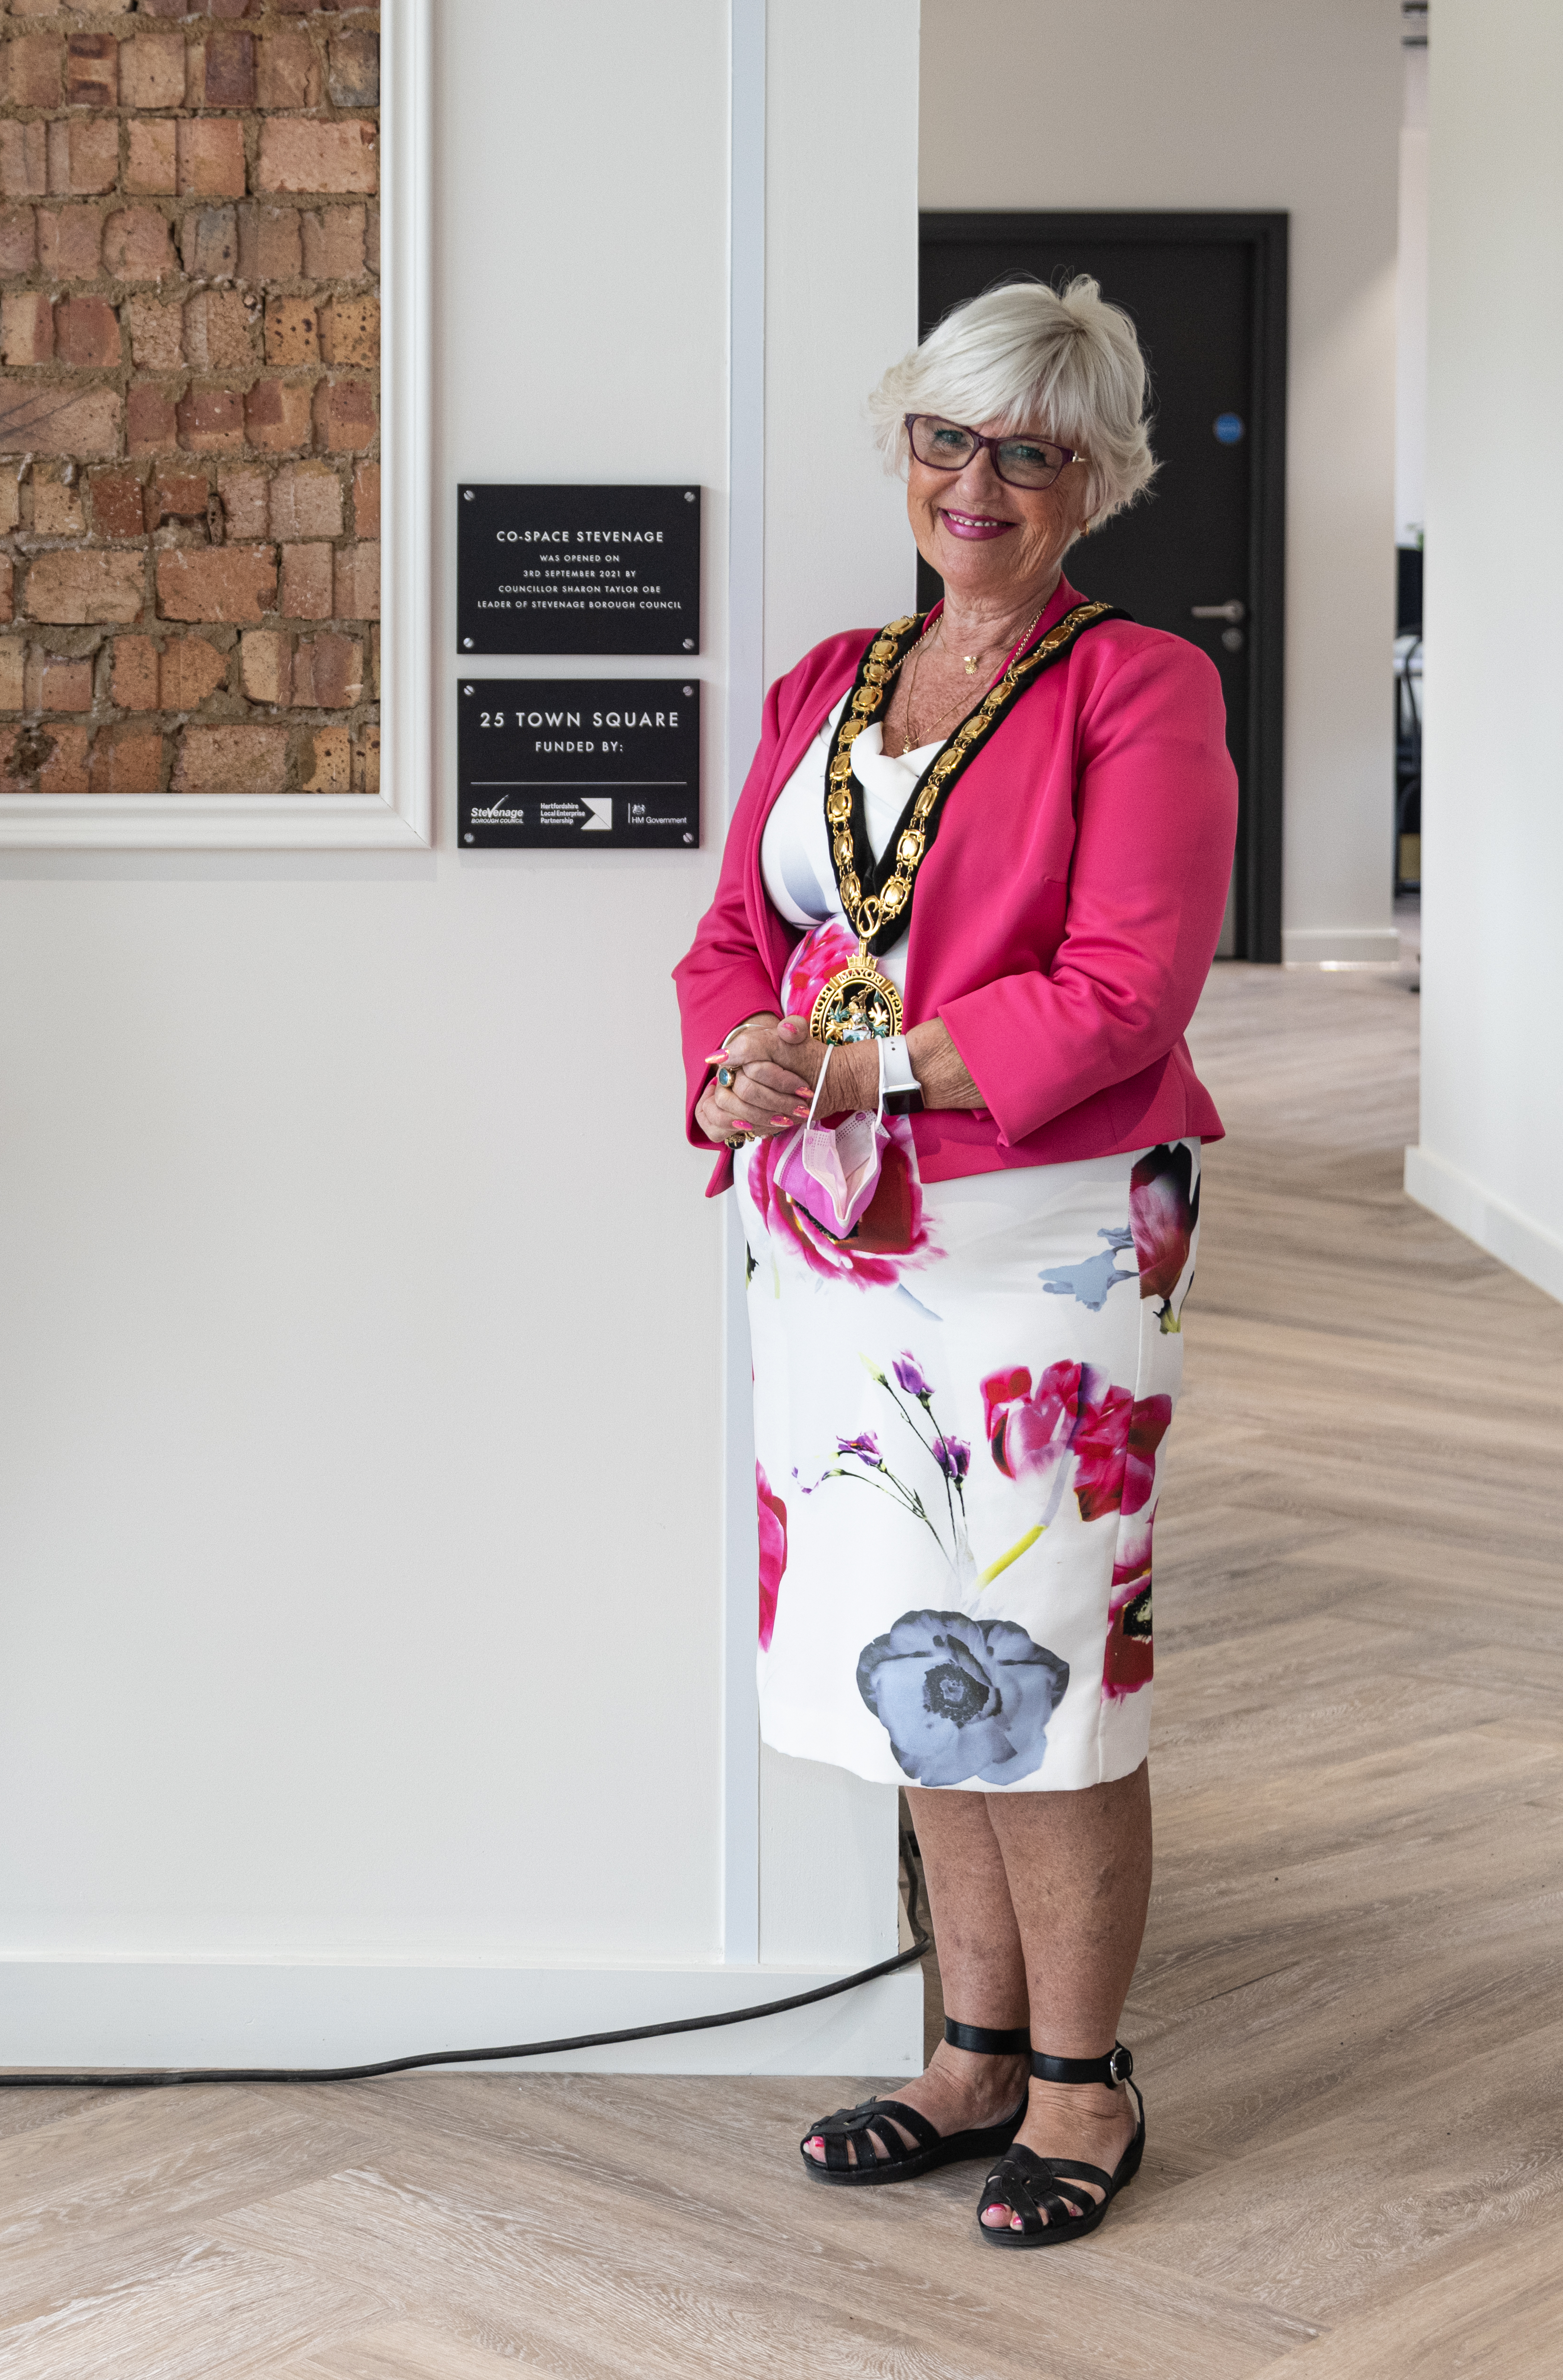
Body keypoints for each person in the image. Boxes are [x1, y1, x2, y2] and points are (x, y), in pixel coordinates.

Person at [672, 276, 1231, 2248]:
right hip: (836, 1232)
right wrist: (747, 1066)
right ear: (903, 445)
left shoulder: (1136, 685)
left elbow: (1125, 984)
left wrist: (871, 1058)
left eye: (1028, 450)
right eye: (945, 437)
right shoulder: (828, 675)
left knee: (1047, 1647)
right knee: (911, 1630)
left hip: (1050, 1236)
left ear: (1097, 480)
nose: (974, 480)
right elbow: (736, 927)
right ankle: (970, 2050)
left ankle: (1084, 2080)